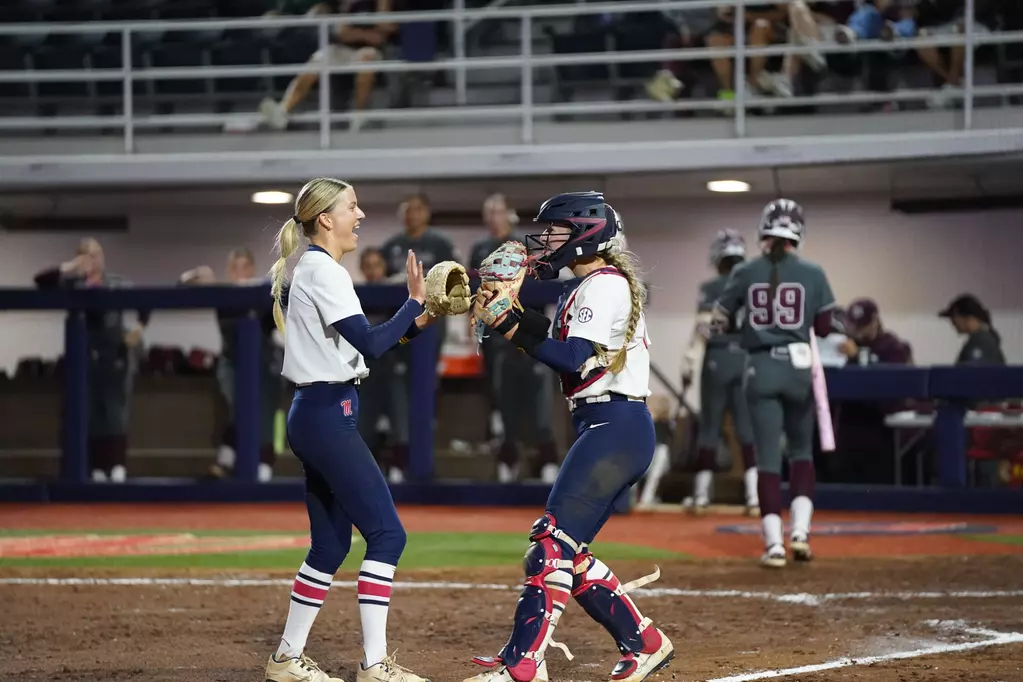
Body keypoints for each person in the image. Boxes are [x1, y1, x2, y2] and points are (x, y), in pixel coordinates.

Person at [465, 191, 674, 682]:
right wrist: (508, 314)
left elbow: (572, 357)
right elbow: (556, 340)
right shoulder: (590, 286)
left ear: (585, 234)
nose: (545, 240)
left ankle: (522, 663)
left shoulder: (604, 285)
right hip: (607, 425)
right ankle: (644, 642)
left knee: (549, 548)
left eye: (555, 230)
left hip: (614, 426)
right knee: (569, 552)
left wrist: (510, 324)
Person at [263, 177, 436, 682]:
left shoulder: (317, 268)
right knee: (387, 535)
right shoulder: (324, 270)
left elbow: (358, 348)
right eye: (352, 207)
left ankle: (286, 659)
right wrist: (411, 303)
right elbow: (372, 345)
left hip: (317, 412)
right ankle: (376, 666)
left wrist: (415, 323)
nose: (360, 215)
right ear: (325, 219)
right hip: (326, 415)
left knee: (331, 547)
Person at [713, 199, 841, 569]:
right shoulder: (814, 273)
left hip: (759, 368)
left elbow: (720, 321)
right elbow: (824, 326)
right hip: (800, 369)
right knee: (801, 453)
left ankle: (774, 546)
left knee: (768, 458)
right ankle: (800, 532)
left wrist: (749, 325)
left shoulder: (744, 271)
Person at [33, 237, 149, 483]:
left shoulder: (117, 283)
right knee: (91, 414)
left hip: (116, 355)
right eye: (86, 255)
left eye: (96, 254)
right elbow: (40, 281)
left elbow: (145, 303)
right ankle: (96, 467)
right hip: (86, 357)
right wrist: (70, 266)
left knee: (115, 413)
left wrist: (138, 329)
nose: (92, 260)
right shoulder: (73, 284)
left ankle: (117, 467)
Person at [469, 193, 559, 483]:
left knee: (540, 403)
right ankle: (507, 460)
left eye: (499, 211)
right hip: (497, 338)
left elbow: (547, 282)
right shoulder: (481, 248)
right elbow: (474, 294)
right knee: (503, 401)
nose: (494, 216)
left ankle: (547, 461)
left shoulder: (524, 244)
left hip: (529, 329)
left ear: (510, 213)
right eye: (490, 211)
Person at [180, 248, 283, 482]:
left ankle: (262, 464)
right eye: (234, 268)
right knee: (239, 409)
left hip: (264, 366)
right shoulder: (223, 295)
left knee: (265, 413)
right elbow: (183, 283)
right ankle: (227, 461)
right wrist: (200, 274)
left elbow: (278, 328)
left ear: (252, 269)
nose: (240, 272)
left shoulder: (264, 292)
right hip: (231, 364)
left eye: (244, 267)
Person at [378, 193, 456, 481]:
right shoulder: (392, 246)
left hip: (431, 330)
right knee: (395, 390)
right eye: (407, 209)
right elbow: (376, 279)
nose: (412, 214)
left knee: (425, 391)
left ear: (427, 212)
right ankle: (397, 453)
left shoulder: (440, 244)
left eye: (418, 209)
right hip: (398, 327)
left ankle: (424, 458)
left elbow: (455, 282)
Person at [681, 229, 758, 516]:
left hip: (717, 358)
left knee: (710, 428)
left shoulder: (711, 288)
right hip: (746, 359)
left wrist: (688, 365)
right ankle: (754, 496)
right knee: (747, 430)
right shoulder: (753, 285)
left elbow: (702, 331)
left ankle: (701, 495)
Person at [257, 0, 396, 133]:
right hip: (341, 48)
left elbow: (383, 32)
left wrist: (361, 30)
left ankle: (361, 116)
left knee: (365, 59)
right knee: (318, 60)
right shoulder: (339, 3)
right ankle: (283, 110)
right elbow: (341, 32)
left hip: (371, 50)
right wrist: (364, 34)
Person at [355, 247, 410, 475]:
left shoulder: (397, 292)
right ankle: (368, 473)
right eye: (367, 266)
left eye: (377, 265)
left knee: (400, 421)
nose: (372, 271)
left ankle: (399, 469)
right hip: (365, 371)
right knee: (363, 425)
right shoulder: (354, 296)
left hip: (394, 367)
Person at [939, 294, 1006, 366]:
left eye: (954, 318)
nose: (953, 323)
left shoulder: (980, 341)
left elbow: (972, 374)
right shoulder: (983, 339)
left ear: (967, 317)